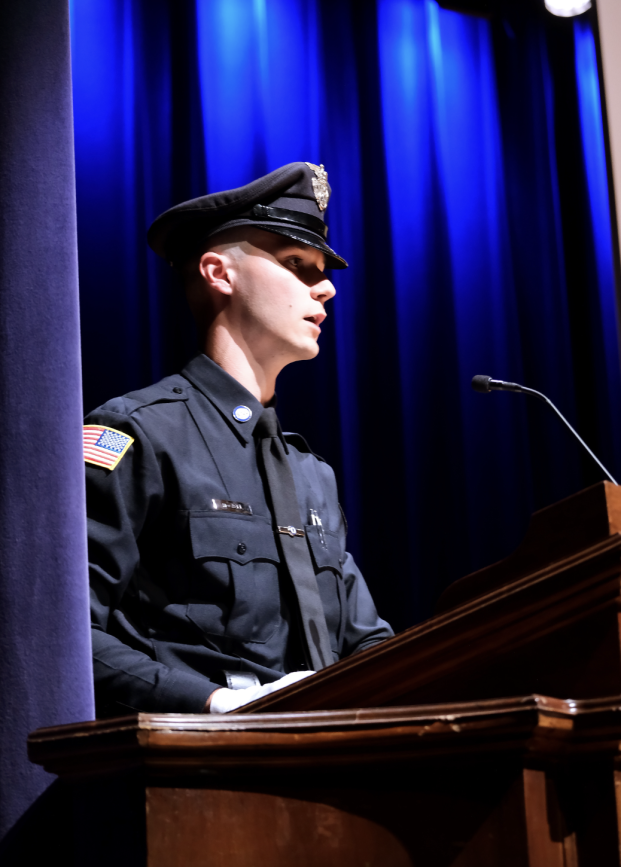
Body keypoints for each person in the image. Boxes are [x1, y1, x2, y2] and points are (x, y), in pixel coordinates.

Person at [85, 162, 393, 716]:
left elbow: (364, 642)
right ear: (218, 273)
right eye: (297, 265)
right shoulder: (136, 434)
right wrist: (217, 703)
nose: (326, 287)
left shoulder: (310, 473)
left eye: (320, 271)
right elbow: (68, 631)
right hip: (193, 769)